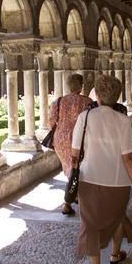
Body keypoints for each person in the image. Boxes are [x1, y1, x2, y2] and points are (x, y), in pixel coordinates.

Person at [72, 73, 132, 264]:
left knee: (90, 225)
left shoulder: (85, 117)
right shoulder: (122, 120)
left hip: (88, 179)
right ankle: (114, 254)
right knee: (118, 218)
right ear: (117, 97)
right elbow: (128, 157)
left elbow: (74, 154)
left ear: (97, 96)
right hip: (118, 182)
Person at [47, 73, 90, 216]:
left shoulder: (59, 101)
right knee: (77, 169)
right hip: (79, 138)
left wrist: (62, 128)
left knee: (69, 169)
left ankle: (74, 196)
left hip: (61, 138)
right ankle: (67, 202)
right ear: (81, 85)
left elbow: (51, 121)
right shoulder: (87, 101)